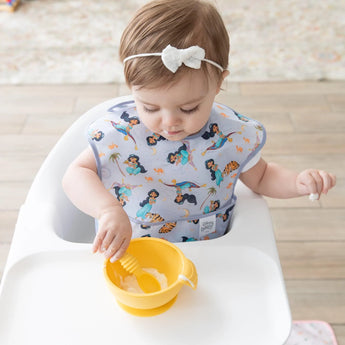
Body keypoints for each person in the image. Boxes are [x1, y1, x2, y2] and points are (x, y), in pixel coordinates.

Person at [62, 0, 336, 263]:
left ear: (218, 84)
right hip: (135, 256)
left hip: (212, 255)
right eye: (150, 107)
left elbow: (262, 177)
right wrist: (107, 209)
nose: (169, 122)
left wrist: (298, 182)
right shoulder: (121, 135)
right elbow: (76, 174)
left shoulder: (230, 138)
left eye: (189, 108)